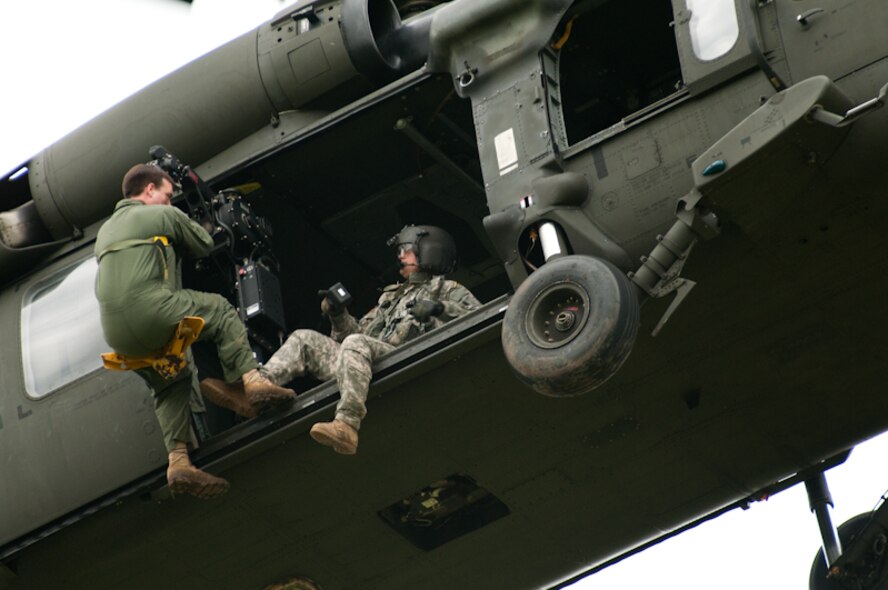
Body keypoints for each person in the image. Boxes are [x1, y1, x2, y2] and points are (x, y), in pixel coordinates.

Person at [95, 164, 296, 499]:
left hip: (118, 335)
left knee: (171, 381)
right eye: (167, 194)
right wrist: (197, 222)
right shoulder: (162, 215)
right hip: (152, 310)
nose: (169, 201)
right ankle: (251, 383)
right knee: (218, 310)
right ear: (149, 191)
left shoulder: (105, 232)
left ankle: (178, 463)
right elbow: (203, 244)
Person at [201, 225, 481, 455]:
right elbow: (354, 336)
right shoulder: (390, 296)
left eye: (406, 250)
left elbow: (479, 317)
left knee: (356, 345)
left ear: (429, 251)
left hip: (407, 359)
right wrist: (338, 314)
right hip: (368, 361)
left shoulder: (446, 289)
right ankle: (254, 391)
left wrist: (438, 309)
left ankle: (346, 424)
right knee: (304, 339)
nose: (400, 257)